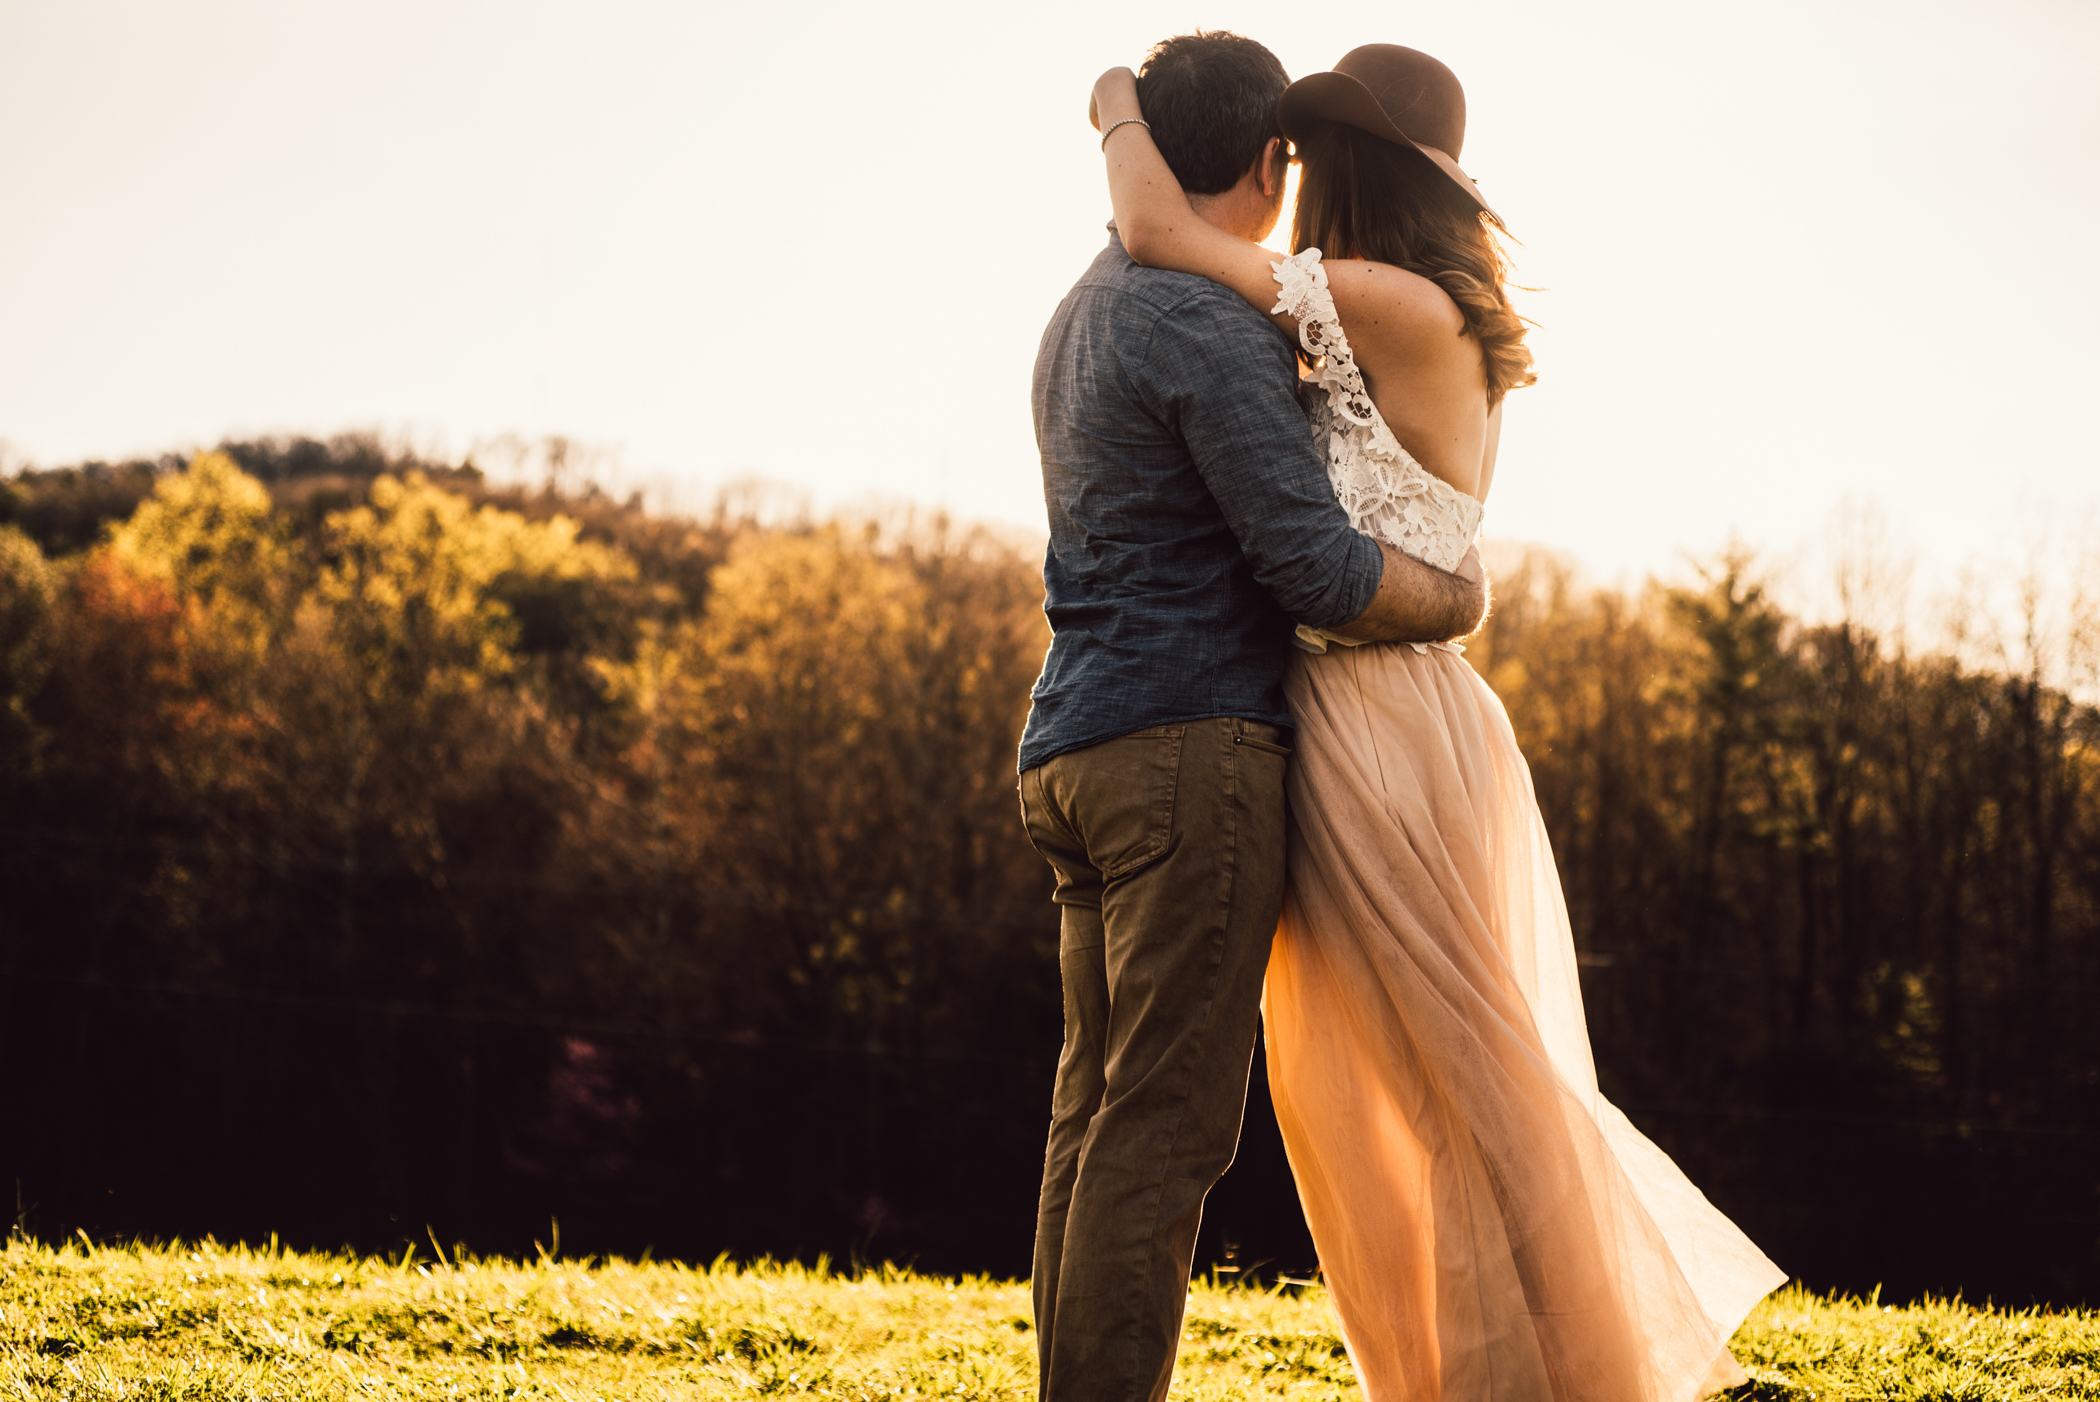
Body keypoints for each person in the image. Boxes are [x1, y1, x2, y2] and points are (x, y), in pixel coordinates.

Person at [1089, 41, 1787, 1402]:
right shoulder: (1432, 307)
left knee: (1455, 1070)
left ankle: (1572, 1374)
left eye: (1301, 155)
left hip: (1369, 718)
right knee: (1446, 1064)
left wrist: (1114, 96)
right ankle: (1567, 1366)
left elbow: (1151, 228)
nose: (1283, 175)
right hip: (1421, 708)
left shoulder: (1368, 295)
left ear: (1341, 167)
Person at [1018, 31, 1492, 1402]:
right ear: (1271, 161)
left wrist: (1116, 110)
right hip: (1184, 754)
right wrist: (1456, 600)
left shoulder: (1088, 302)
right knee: (1161, 1131)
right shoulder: (1216, 323)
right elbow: (1318, 568)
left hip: (1071, 737)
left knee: (1092, 1106)